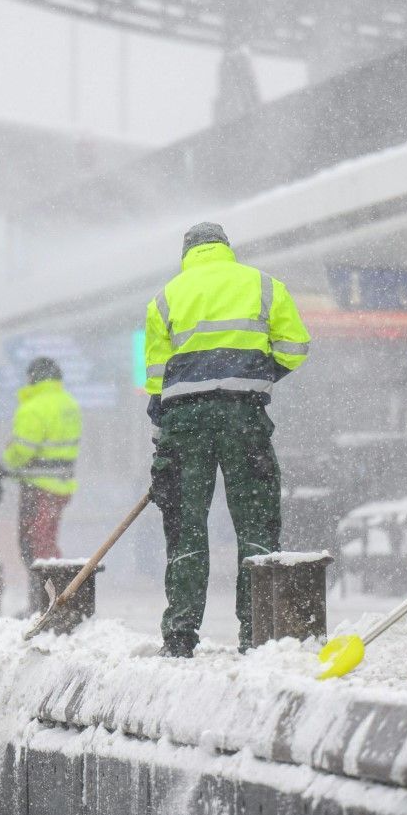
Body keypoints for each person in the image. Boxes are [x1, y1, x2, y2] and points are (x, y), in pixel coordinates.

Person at [145, 222, 311, 657]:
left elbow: (156, 380)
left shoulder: (165, 298)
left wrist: (161, 435)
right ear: (225, 248)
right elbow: (295, 347)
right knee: (256, 523)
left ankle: (180, 634)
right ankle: (258, 631)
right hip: (244, 417)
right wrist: (255, 376)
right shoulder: (264, 286)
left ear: (187, 253)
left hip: (184, 422)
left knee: (185, 527)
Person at [0, 356, 82, 613]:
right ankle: (45, 603)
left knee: (35, 546)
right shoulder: (69, 404)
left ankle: (46, 605)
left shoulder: (34, 407)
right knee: (45, 541)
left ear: (33, 378)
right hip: (61, 486)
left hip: (39, 488)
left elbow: (23, 450)